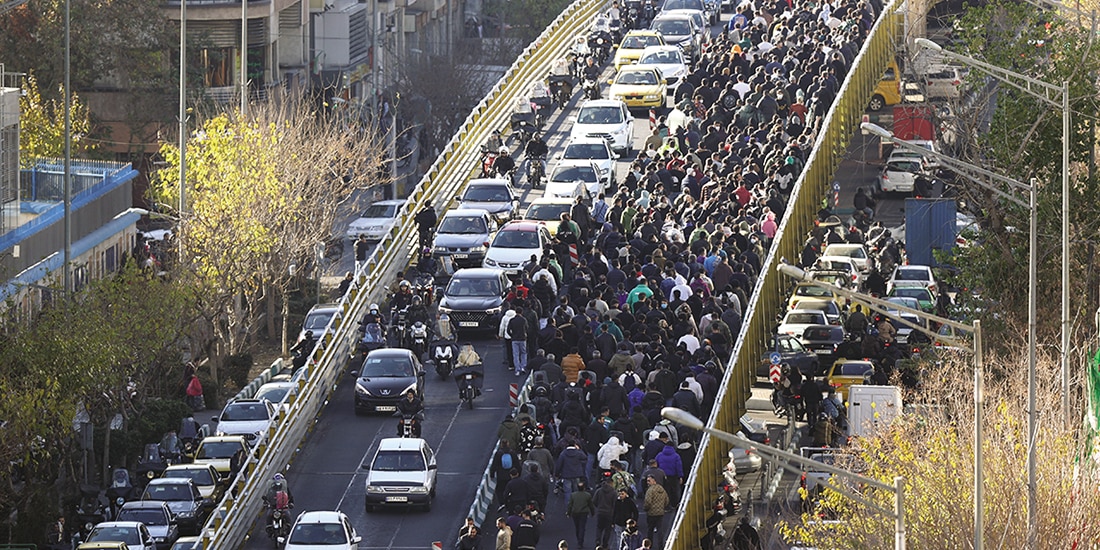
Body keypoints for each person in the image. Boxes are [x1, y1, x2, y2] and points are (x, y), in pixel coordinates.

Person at [566, 479, 594, 549]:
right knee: (582, 527)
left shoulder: (573, 495)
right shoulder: (587, 495)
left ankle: (578, 538)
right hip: (584, 513)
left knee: (577, 527)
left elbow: (570, 505)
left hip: (575, 513)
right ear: (584, 488)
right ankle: (580, 542)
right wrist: (592, 513)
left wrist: (568, 513)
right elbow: (591, 505)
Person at [642, 475, 669, 547]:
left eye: (649, 481)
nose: (648, 482)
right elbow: (667, 500)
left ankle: (649, 545)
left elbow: (648, 502)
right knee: (660, 530)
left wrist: (645, 508)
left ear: (654, 481)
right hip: (660, 512)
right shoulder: (662, 489)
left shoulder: (650, 490)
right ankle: (661, 546)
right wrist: (662, 507)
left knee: (650, 530)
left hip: (651, 513)